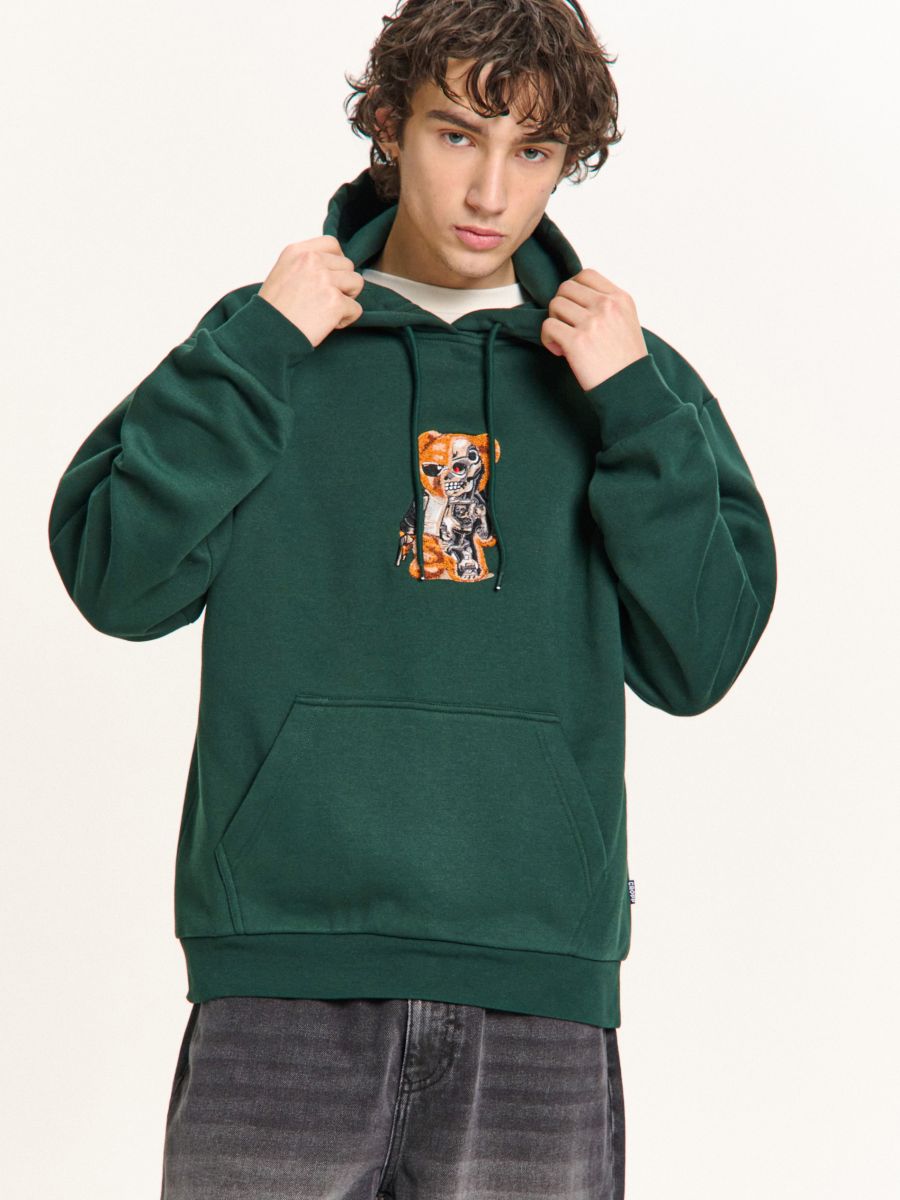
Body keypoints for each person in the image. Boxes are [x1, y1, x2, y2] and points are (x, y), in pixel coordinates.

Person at [46, 1, 777, 1196]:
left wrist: (636, 405)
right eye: (456, 135)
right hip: (281, 976)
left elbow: (700, 657)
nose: (490, 190)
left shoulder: (623, 378)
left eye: (532, 151)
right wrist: (258, 347)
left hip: (538, 984)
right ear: (388, 125)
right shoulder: (267, 345)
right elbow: (117, 576)